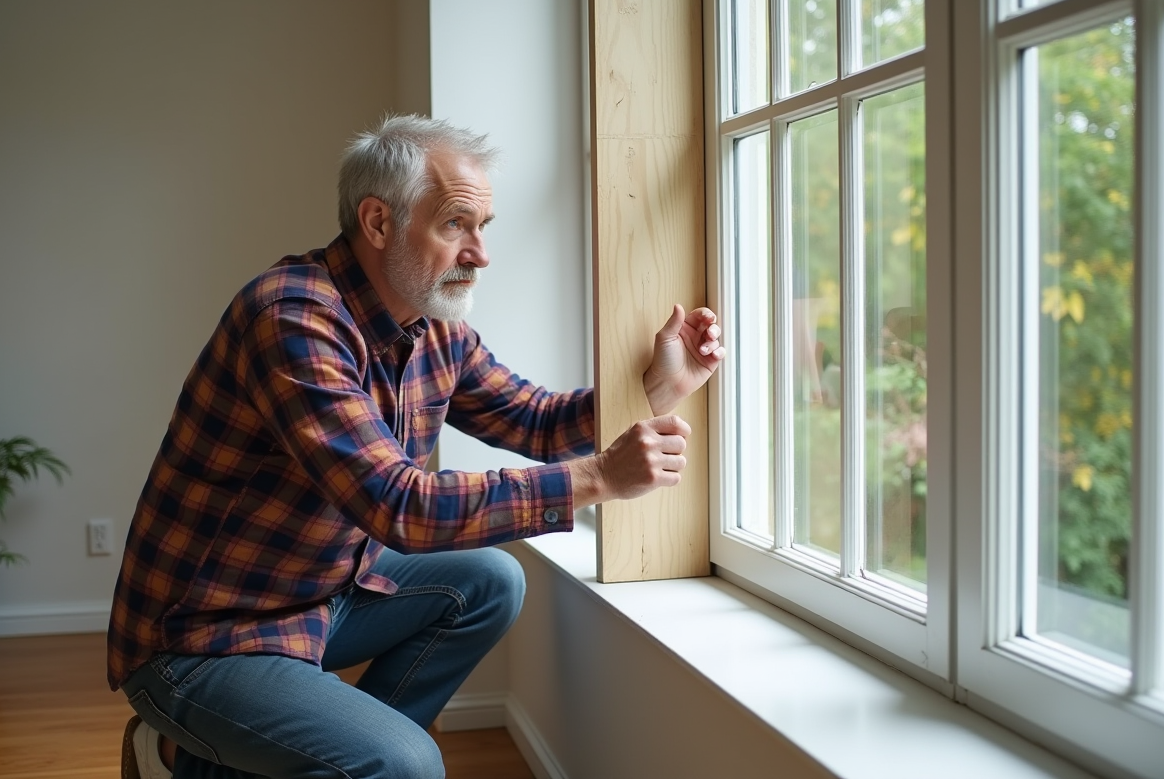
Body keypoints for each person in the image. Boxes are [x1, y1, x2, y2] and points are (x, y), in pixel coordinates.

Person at [109, 114, 725, 779]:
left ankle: (284, 760)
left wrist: (653, 387)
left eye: (484, 227)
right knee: (404, 763)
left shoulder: (431, 328)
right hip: (205, 638)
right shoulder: (291, 317)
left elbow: (538, 423)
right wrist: (599, 477)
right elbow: (398, 507)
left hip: (319, 597)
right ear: (378, 223)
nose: (481, 252)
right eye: (456, 224)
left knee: (488, 583)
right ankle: (177, 752)